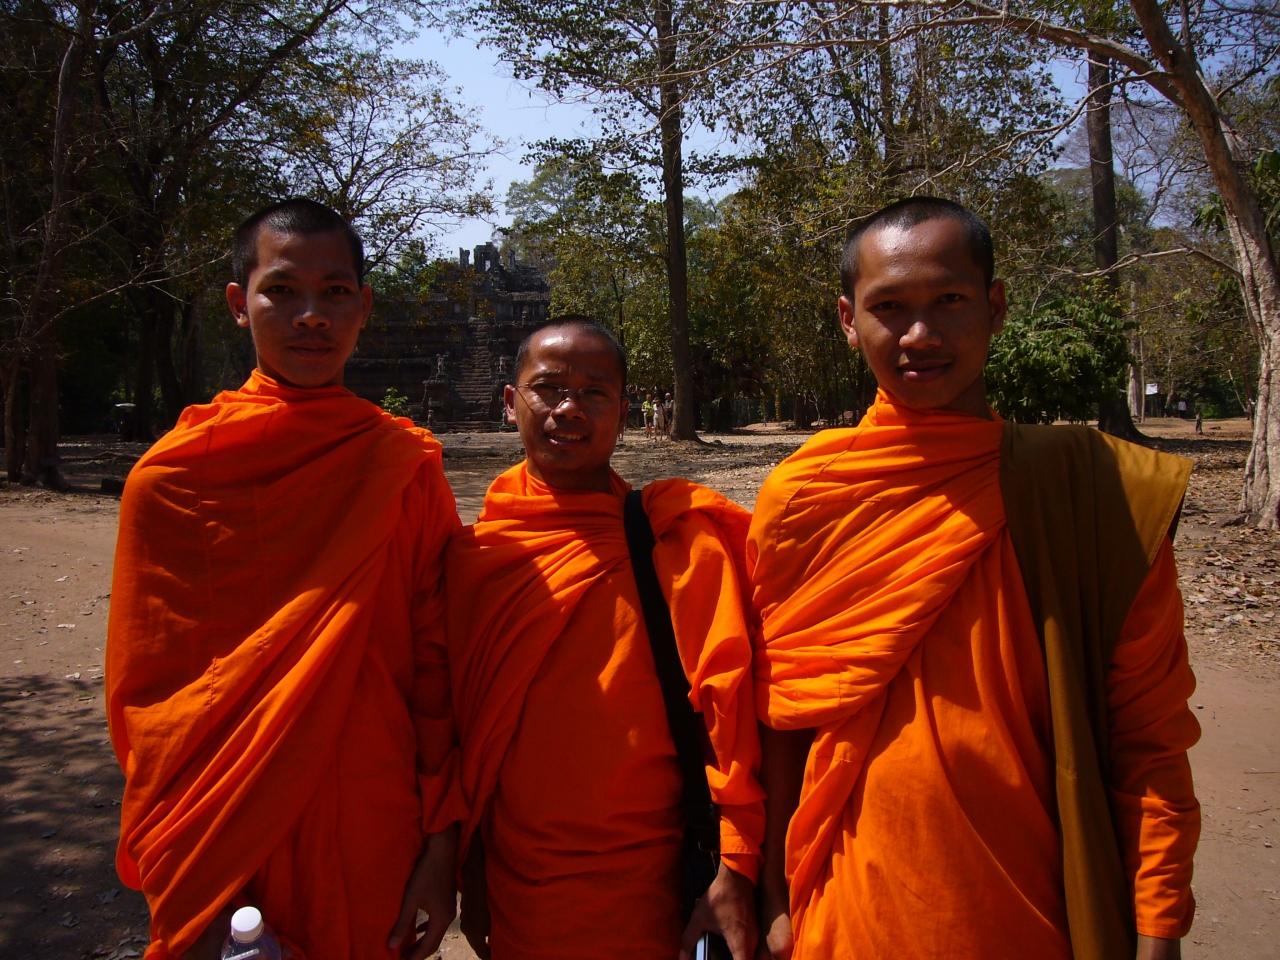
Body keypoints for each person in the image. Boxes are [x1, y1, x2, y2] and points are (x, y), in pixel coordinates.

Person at [749, 197, 1200, 960]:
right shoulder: (808, 496)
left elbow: (1150, 736)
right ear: (849, 320)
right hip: (850, 905)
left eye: (950, 300)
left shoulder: (1090, 494)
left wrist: (1158, 928)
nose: (920, 334)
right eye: (889, 307)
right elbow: (783, 715)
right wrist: (772, 894)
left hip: (1032, 908)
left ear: (995, 306)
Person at [106, 198, 462, 960]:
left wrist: (442, 845)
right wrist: (191, 855)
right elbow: (148, 700)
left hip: (372, 821)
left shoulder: (402, 467)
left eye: (335, 293)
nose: (311, 316)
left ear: (363, 307)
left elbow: (436, 664)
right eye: (282, 291)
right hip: (224, 828)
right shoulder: (172, 481)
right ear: (239, 304)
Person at [445, 318, 764, 960]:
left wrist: (736, 865)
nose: (569, 409)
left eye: (594, 393)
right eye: (548, 388)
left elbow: (728, 712)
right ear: (510, 402)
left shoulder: (673, 538)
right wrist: (467, 867)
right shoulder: (476, 559)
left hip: (655, 881)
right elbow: (464, 735)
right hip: (522, 885)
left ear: (623, 412)